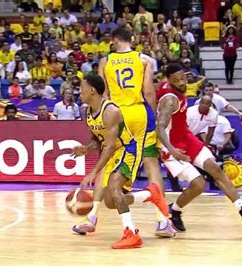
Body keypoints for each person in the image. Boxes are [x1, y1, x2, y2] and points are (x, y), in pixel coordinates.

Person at [75, 28, 173, 236]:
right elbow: (148, 91)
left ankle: (92, 216)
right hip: (139, 113)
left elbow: (103, 92)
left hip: (115, 112)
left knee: (106, 159)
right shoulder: (144, 59)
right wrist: (155, 118)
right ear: (132, 40)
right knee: (151, 164)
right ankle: (162, 221)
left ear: (113, 40)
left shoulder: (106, 61)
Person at [156, 63, 242, 232]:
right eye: (176, 80)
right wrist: (173, 151)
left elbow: (152, 87)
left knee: (215, 169)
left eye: (183, 78)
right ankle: (174, 211)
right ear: (169, 81)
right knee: (199, 185)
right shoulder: (170, 100)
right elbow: (160, 128)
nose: (181, 83)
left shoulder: (172, 87)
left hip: (186, 137)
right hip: (171, 146)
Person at [73, 75, 169, 249]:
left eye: (82, 88)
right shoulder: (87, 111)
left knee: (115, 189)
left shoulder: (111, 111)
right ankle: (151, 194)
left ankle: (131, 234)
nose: (79, 92)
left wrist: (93, 172)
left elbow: (109, 147)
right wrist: (87, 149)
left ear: (92, 90)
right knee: (111, 201)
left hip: (128, 150)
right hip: (115, 151)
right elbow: (99, 140)